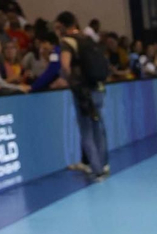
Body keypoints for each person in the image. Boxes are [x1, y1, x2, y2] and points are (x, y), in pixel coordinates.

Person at [57, 11, 108, 180]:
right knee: (98, 128)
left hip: (82, 91)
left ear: (63, 26)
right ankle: (103, 164)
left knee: (86, 131)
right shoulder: (88, 39)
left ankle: (96, 169)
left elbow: (65, 66)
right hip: (98, 88)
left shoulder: (67, 42)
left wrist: (69, 80)